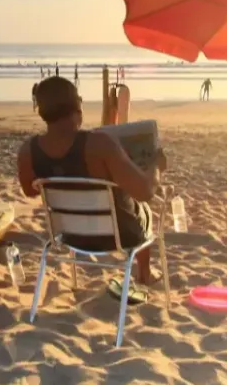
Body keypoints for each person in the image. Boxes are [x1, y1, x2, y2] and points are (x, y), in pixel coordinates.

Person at [15, 76, 166, 287]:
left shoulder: (28, 151)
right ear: (77, 107)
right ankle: (144, 273)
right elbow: (145, 192)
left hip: (69, 236)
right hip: (120, 236)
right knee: (143, 207)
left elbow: (30, 191)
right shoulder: (99, 144)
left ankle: (143, 273)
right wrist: (157, 167)